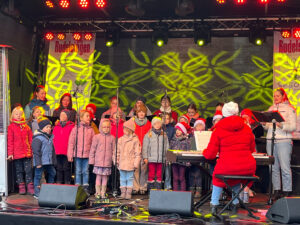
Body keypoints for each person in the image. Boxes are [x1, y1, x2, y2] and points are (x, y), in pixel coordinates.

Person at [203, 102, 256, 215]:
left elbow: (210, 155)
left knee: (217, 177)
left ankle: (214, 204)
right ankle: (235, 203)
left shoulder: (219, 129)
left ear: (224, 114)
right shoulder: (247, 128)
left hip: (227, 165)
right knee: (236, 176)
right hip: (247, 167)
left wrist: (204, 151)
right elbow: (251, 149)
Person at [263, 88, 296, 199]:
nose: (276, 98)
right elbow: (268, 126)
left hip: (284, 140)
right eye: (274, 96)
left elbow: (293, 126)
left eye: (278, 96)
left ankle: (287, 190)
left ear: (283, 96)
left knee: (285, 166)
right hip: (270, 140)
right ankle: (276, 189)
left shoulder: (289, 109)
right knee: (273, 166)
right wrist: (264, 123)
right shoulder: (271, 109)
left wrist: (281, 125)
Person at [7, 106, 34, 195]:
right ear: (12, 116)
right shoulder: (11, 127)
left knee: (28, 170)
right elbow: (10, 141)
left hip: (27, 153)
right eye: (16, 114)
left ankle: (30, 187)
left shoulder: (26, 127)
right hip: (17, 154)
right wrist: (10, 153)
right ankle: (21, 187)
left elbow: (31, 140)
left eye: (20, 114)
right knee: (19, 171)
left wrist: (32, 151)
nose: (18, 116)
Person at [114, 118, 141, 199]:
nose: (124, 130)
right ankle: (123, 193)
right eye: (124, 129)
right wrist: (116, 161)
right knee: (122, 178)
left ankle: (128, 193)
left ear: (130, 130)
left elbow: (137, 153)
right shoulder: (120, 140)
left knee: (129, 178)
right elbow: (116, 151)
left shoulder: (135, 140)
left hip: (130, 163)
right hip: (122, 163)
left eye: (125, 129)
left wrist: (136, 164)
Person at [67, 110, 95, 190]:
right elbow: (71, 143)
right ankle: (78, 187)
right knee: (78, 171)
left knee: (85, 171)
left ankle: (85, 187)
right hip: (77, 155)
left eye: (89, 116)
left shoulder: (91, 130)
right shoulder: (76, 129)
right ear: (81, 118)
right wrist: (70, 154)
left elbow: (93, 144)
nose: (89, 118)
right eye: (87, 116)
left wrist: (93, 155)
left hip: (87, 155)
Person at [89, 119, 115, 199]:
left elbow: (114, 150)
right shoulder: (97, 137)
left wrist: (114, 160)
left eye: (107, 127)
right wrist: (91, 160)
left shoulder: (112, 138)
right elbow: (92, 149)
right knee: (98, 177)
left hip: (107, 162)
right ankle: (97, 192)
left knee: (105, 178)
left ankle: (103, 192)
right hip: (98, 162)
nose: (106, 129)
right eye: (104, 127)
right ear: (100, 127)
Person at [32, 118, 56, 198]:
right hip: (41, 162)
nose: (49, 129)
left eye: (50, 127)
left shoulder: (49, 138)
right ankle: (37, 193)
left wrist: (53, 161)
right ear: (42, 128)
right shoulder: (38, 138)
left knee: (53, 173)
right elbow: (36, 152)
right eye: (47, 127)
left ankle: (49, 189)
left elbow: (52, 151)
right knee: (38, 176)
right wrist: (38, 163)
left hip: (48, 162)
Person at [143, 117, 169, 190]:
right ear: (152, 125)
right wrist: (145, 157)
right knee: (151, 174)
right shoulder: (148, 135)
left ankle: (158, 189)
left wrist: (167, 158)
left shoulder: (164, 135)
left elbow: (167, 147)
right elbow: (145, 147)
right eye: (155, 124)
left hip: (161, 159)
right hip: (151, 159)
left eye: (158, 123)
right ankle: (150, 190)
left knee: (159, 174)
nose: (157, 125)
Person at [133, 105, 152, 195]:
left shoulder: (148, 124)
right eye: (139, 111)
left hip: (145, 150)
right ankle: (135, 187)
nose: (141, 113)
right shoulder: (133, 123)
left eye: (143, 112)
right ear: (137, 113)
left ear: (145, 113)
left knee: (144, 169)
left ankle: (143, 187)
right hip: (135, 150)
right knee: (135, 169)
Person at [52, 110, 74, 184]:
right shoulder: (56, 127)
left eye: (64, 115)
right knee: (58, 168)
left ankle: (67, 182)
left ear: (68, 117)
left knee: (66, 168)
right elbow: (53, 138)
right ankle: (59, 181)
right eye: (61, 115)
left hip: (66, 151)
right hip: (57, 151)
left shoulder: (71, 126)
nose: (62, 116)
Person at [170, 122, 191, 191]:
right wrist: (169, 160)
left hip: (183, 161)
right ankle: (175, 191)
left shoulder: (186, 140)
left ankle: (183, 192)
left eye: (179, 130)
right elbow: (170, 150)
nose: (177, 131)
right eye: (176, 130)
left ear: (182, 131)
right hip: (174, 161)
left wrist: (188, 161)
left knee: (181, 177)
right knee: (175, 177)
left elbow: (188, 150)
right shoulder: (173, 140)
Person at [189, 118, 206, 197]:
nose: (199, 129)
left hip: (200, 158)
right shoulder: (192, 138)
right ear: (195, 128)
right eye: (198, 127)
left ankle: (198, 190)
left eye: (201, 128)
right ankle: (191, 189)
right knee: (191, 174)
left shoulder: (204, 138)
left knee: (198, 174)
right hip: (192, 158)